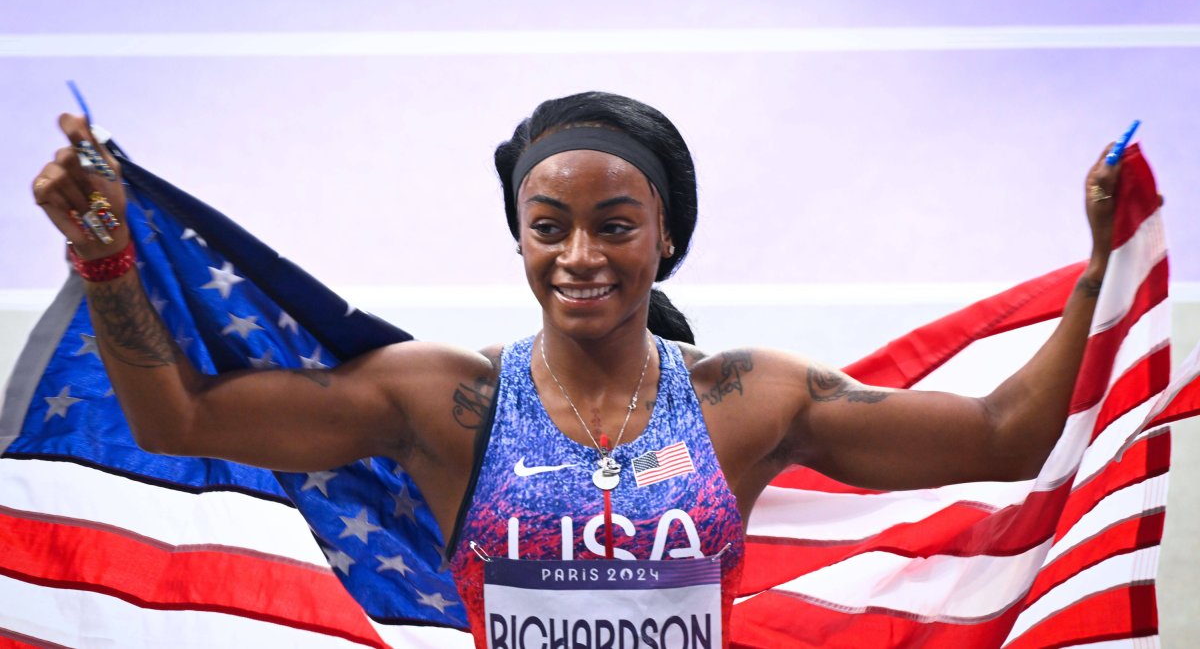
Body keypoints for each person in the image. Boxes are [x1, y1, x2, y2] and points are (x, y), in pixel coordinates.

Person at [30, 91, 1122, 648]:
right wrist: (107, 256)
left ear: (665, 240)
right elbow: (178, 419)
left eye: (614, 224)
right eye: (549, 226)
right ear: (520, 239)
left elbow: (1000, 437)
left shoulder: (756, 399)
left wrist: (1100, 273)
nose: (580, 256)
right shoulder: (443, 399)